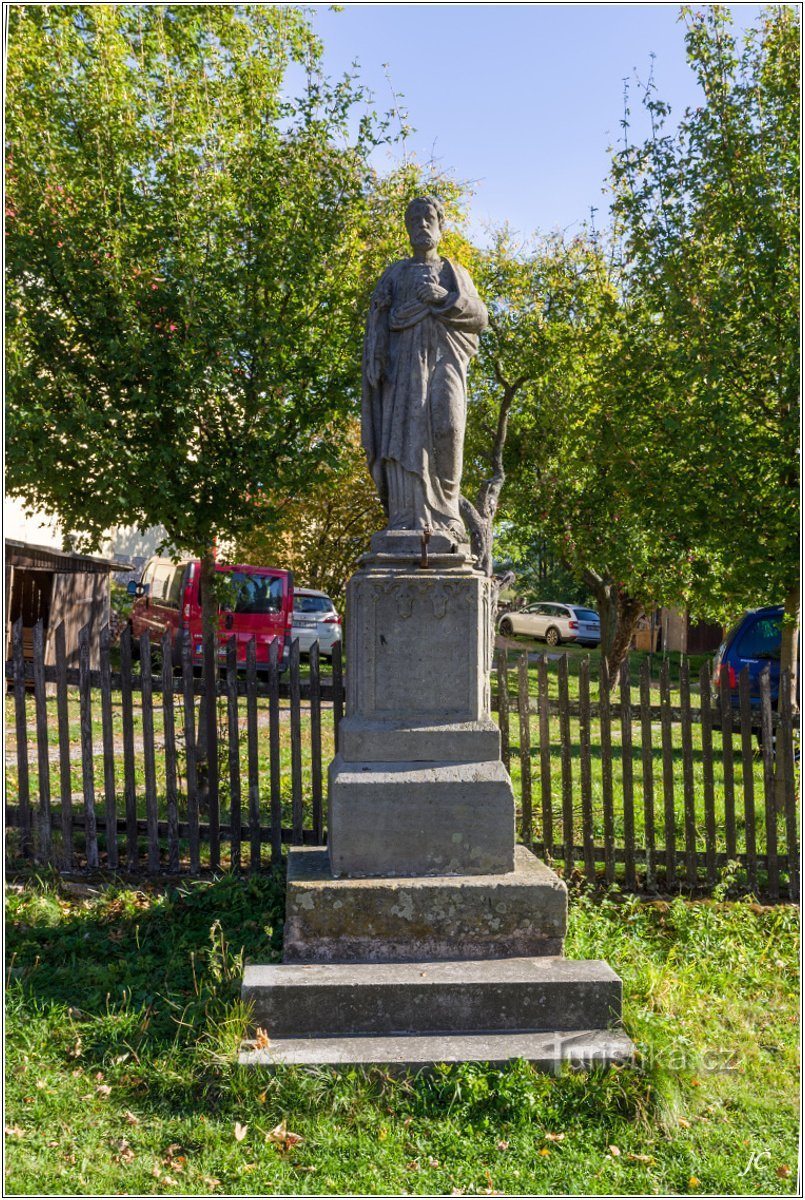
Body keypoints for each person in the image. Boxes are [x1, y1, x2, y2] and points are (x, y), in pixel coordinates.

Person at [362, 196, 488, 538]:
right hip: (402, 373)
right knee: (405, 435)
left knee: (448, 429)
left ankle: (446, 516)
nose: (421, 224)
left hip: (445, 362)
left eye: (427, 217)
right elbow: (377, 322)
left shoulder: (453, 272)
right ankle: (406, 518)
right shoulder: (395, 273)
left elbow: (479, 316)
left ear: (440, 225)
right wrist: (377, 344)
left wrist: (442, 298)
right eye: (413, 219)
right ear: (407, 228)